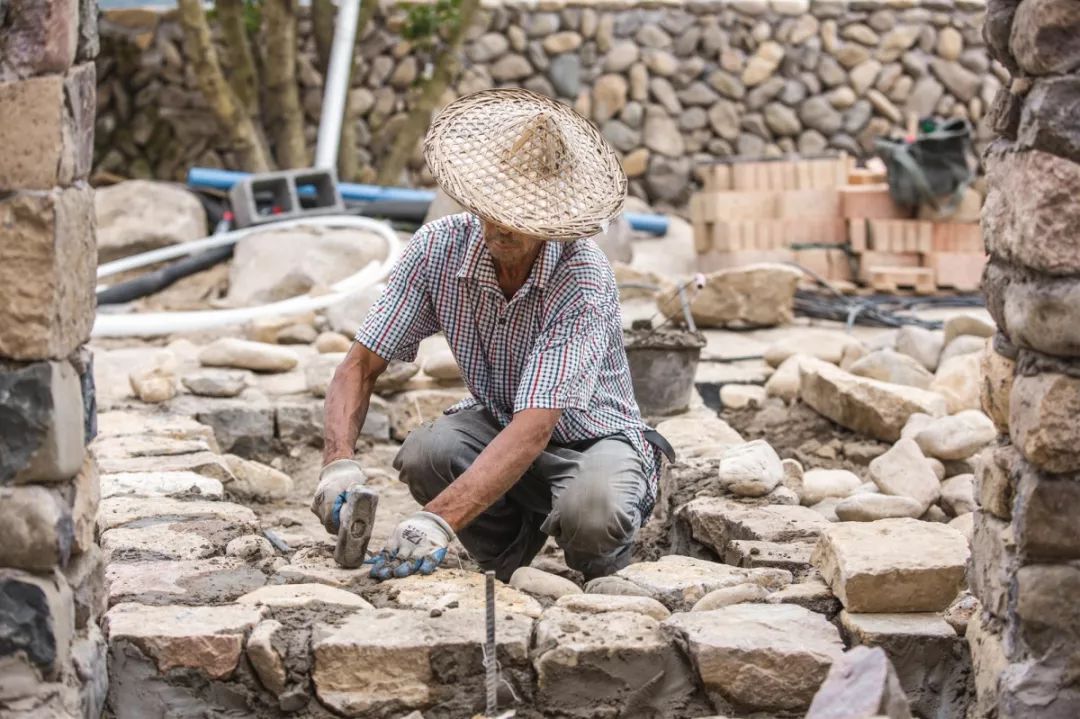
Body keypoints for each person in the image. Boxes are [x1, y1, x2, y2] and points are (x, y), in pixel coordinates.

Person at [310, 88, 671, 583]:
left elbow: (536, 426)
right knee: (426, 454)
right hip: (502, 424)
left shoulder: (582, 276)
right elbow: (359, 365)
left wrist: (436, 520)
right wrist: (337, 464)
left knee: (594, 511)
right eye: (495, 207)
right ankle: (507, 562)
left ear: (555, 220)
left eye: (523, 217)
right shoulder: (438, 249)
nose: (503, 226)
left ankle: (603, 578)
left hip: (593, 439)